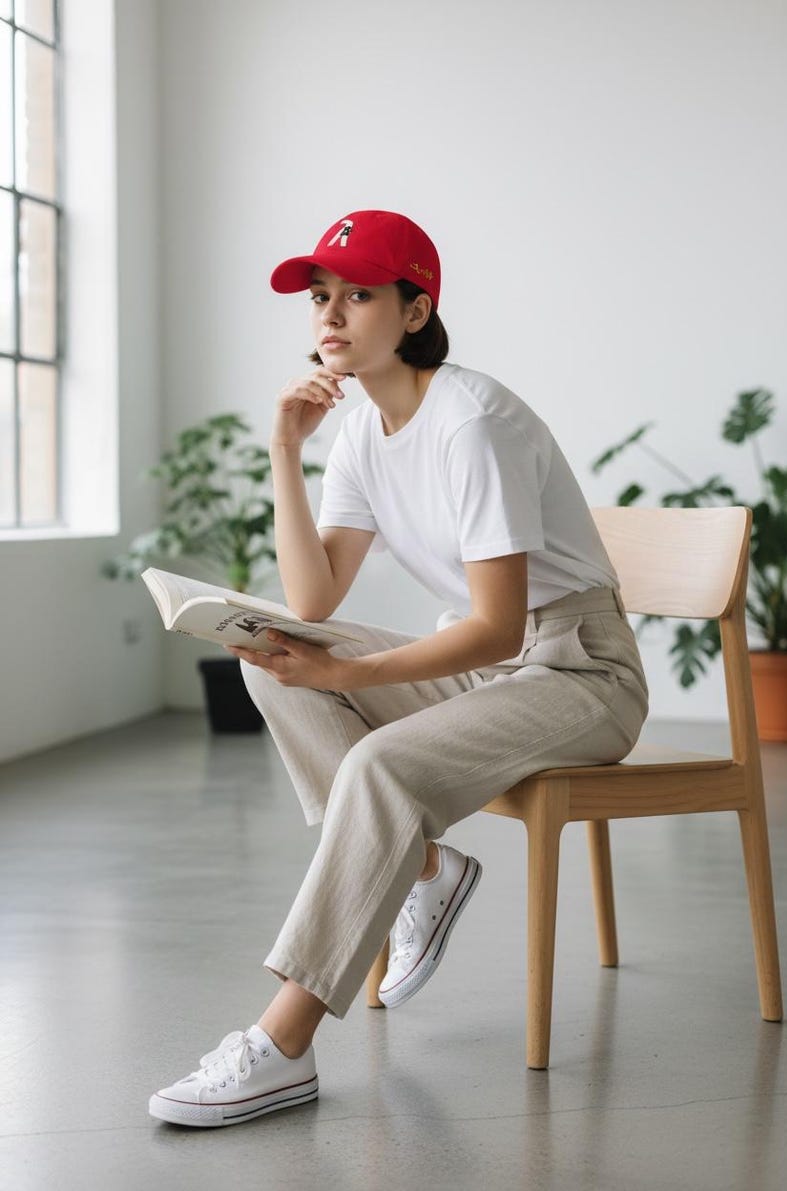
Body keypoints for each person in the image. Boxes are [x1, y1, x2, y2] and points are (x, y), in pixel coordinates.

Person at [148, 209, 650, 1128]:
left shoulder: (473, 422)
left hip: (581, 672)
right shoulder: (362, 434)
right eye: (321, 298)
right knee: (271, 656)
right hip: (496, 666)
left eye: (360, 295)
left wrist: (349, 681)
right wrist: (284, 450)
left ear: (416, 310)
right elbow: (315, 595)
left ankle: (283, 1043)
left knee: (378, 760)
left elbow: (501, 629)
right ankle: (422, 866)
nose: (331, 316)